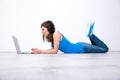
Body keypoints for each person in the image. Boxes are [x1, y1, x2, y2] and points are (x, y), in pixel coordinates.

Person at [31, 20, 109, 54]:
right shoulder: (53, 38)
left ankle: (91, 35)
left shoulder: (56, 34)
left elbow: (55, 51)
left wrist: (40, 51)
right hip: (80, 47)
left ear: (49, 29)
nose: (42, 32)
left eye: (43, 29)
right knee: (98, 47)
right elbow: (52, 49)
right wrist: (39, 51)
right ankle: (91, 35)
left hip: (82, 48)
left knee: (105, 49)